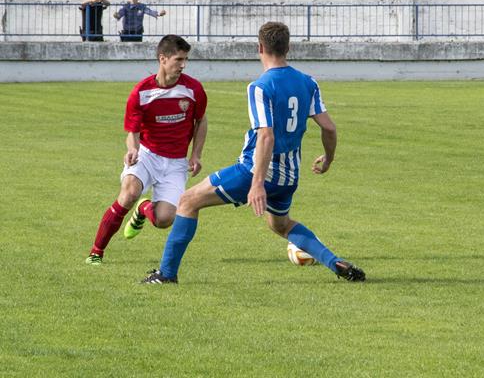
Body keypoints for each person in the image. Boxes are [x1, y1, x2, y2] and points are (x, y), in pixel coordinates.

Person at [141, 21, 365, 284]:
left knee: (188, 201)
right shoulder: (308, 82)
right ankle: (333, 261)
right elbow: (329, 127)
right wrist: (328, 158)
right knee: (280, 224)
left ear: (260, 48)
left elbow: (266, 136)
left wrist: (257, 183)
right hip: (289, 175)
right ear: (288, 48)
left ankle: (166, 274)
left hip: (255, 170)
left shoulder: (260, 87)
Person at [85, 35, 208, 264]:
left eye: (185, 60)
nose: (183, 65)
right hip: (147, 155)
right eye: (178, 59)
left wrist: (196, 155)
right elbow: (132, 132)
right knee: (129, 193)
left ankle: (144, 208)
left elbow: (201, 121)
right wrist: (132, 149)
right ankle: (96, 252)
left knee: (164, 220)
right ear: (163, 59)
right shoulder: (141, 92)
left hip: (176, 163)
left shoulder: (193, 89)